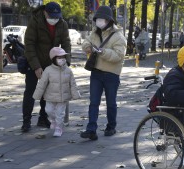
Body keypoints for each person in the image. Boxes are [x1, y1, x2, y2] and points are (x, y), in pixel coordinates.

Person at [22, 1, 71, 132]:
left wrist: (66, 62)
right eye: (51, 16)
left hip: (51, 63)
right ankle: (26, 121)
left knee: (48, 93)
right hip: (34, 62)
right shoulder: (35, 21)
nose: (54, 19)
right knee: (31, 92)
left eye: (57, 16)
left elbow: (66, 44)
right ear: (45, 13)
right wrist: (36, 67)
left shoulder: (62, 24)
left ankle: (43, 118)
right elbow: (29, 44)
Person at [80, 6, 127, 141]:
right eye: (97, 19)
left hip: (111, 75)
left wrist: (103, 52)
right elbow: (86, 42)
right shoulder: (95, 32)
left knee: (111, 102)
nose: (99, 22)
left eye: (102, 19)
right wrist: (87, 47)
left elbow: (119, 56)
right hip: (96, 72)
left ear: (109, 20)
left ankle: (111, 126)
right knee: (93, 102)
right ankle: (91, 130)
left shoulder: (119, 36)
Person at [33, 47, 81, 137]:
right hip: (50, 96)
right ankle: (53, 121)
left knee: (60, 113)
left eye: (63, 57)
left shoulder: (68, 71)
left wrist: (76, 94)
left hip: (63, 97)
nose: (61, 59)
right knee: (49, 110)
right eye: (59, 57)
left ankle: (59, 128)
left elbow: (73, 83)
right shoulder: (48, 70)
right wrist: (37, 95)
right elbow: (42, 83)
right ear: (53, 59)